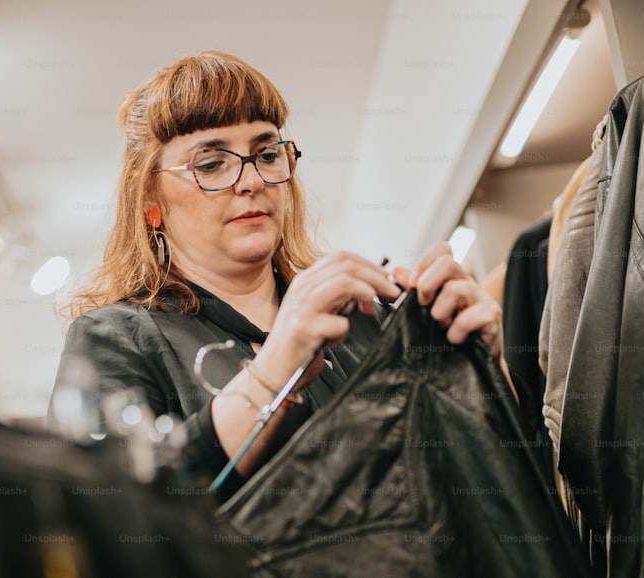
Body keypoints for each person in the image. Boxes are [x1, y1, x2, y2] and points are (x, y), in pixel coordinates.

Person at [52, 51, 517, 491]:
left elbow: (482, 478)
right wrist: (273, 372)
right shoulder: (117, 337)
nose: (252, 181)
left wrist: (485, 368)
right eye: (212, 164)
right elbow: (111, 517)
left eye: (268, 154)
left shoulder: (363, 320)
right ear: (150, 201)